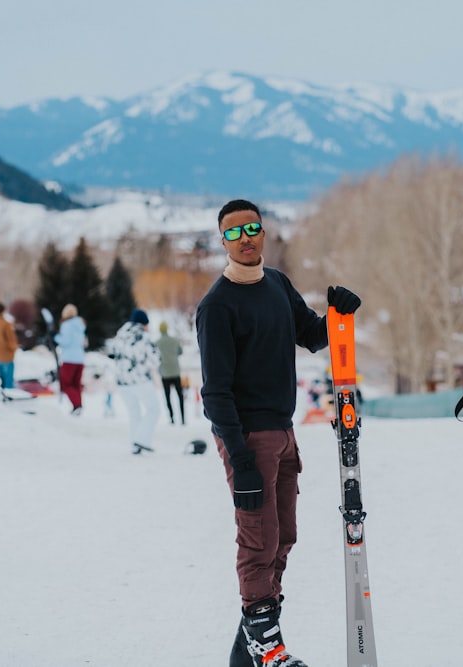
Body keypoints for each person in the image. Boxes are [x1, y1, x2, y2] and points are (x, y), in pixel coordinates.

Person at [196, 198, 361, 667]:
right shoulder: (217, 306)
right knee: (258, 539)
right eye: (233, 232)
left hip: (284, 433)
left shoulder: (277, 284)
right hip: (248, 438)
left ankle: (251, 644)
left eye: (252, 228)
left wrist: (338, 316)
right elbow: (215, 393)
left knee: (282, 535)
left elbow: (311, 334)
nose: (245, 238)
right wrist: (240, 457)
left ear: (264, 232)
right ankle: (267, 645)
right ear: (222, 241)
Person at [107, 309, 161, 454]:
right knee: (154, 409)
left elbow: (111, 354)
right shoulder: (143, 336)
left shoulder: (120, 335)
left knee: (134, 413)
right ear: (144, 323)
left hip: (121, 381)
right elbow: (155, 359)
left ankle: (135, 445)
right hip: (139, 379)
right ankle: (142, 440)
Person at [54, 304, 86, 414]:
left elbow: (65, 341)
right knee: (76, 383)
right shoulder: (80, 325)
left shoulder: (66, 325)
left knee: (66, 383)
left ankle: (77, 405)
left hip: (69, 359)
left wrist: (55, 337)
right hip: (80, 359)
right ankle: (78, 405)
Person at [157, 321, 185, 425]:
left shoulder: (158, 343)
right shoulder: (174, 340)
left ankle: (172, 418)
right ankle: (183, 418)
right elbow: (180, 352)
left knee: (167, 396)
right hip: (176, 371)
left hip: (165, 373)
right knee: (180, 396)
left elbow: (156, 356)